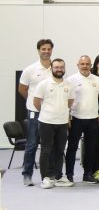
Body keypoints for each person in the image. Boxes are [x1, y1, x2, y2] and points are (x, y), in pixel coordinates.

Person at [65, 55, 99, 183]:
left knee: (91, 148)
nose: (85, 66)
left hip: (93, 119)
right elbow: (65, 99)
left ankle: (87, 174)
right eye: (82, 64)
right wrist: (67, 116)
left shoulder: (97, 80)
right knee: (72, 148)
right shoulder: (70, 80)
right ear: (78, 65)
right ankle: (69, 175)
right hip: (76, 118)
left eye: (87, 64)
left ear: (91, 65)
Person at [34, 59, 73, 189]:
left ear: (64, 68)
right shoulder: (44, 84)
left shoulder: (69, 85)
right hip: (46, 122)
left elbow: (70, 102)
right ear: (52, 68)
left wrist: (62, 113)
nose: (59, 69)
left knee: (60, 150)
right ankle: (45, 178)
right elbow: (36, 102)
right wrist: (47, 112)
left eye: (61, 67)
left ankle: (58, 176)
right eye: (56, 67)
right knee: (46, 150)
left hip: (62, 123)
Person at [19, 39, 54, 186]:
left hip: (51, 113)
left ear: (52, 50)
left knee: (49, 145)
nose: (46, 51)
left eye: (48, 49)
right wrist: (34, 102)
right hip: (35, 112)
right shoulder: (30, 70)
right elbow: (22, 89)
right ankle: (27, 175)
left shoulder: (55, 68)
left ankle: (49, 175)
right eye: (43, 49)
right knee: (32, 144)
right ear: (39, 50)